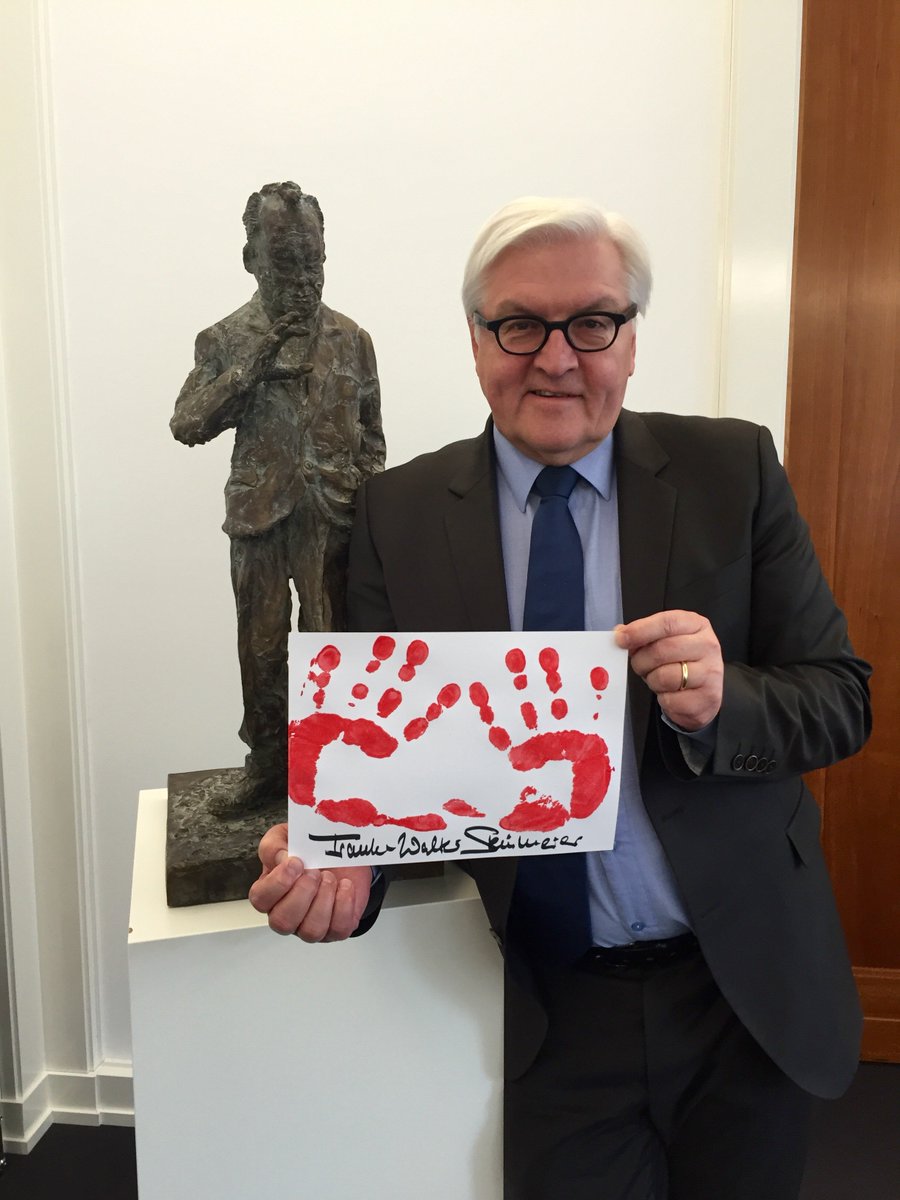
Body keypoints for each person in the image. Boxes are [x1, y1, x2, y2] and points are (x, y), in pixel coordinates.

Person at [249, 197, 872, 1199]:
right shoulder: (396, 514)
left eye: (591, 322)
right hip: (548, 1004)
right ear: (475, 338)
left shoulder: (734, 471)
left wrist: (725, 702)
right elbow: (387, 755)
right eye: (518, 325)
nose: (555, 359)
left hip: (741, 989)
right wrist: (345, 858)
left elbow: (841, 699)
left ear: (631, 337)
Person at [171, 181, 385, 813]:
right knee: (262, 648)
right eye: (286, 260)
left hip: (333, 516)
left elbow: (372, 434)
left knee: (331, 643)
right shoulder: (224, 339)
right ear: (252, 259)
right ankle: (267, 766)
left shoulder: (352, 338)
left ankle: (333, 767)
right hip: (260, 517)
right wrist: (255, 365)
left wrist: (362, 496)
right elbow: (188, 423)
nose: (302, 275)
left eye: (311, 259)